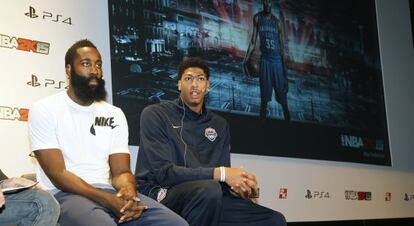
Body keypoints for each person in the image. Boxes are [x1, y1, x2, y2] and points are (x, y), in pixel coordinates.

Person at [28, 39, 188, 226]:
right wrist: (107, 200)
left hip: (108, 191)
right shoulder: (45, 109)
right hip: (64, 194)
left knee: (176, 224)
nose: (95, 70)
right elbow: (59, 174)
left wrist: (128, 193)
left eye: (98, 64)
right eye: (86, 64)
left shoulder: (114, 113)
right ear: (69, 70)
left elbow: (121, 172)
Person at [135, 57, 286, 226]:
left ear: (207, 86)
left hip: (208, 197)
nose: (194, 84)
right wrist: (222, 173)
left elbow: (220, 181)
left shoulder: (219, 125)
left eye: (200, 79)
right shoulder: (155, 114)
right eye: (188, 78)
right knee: (209, 190)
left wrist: (238, 187)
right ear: (178, 84)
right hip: (161, 193)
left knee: (273, 220)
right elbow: (164, 174)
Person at [244, 0, 290, 121]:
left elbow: (283, 50)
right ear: (263, 2)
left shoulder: (277, 23)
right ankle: (262, 128)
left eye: (269, 1)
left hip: (277, 62)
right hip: (265, 61)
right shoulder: (258, 18)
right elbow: (253, 41)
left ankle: (290, 127)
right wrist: (245, 59)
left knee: (283, 101)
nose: (267, 3)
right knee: (264, 99)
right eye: (265, 1)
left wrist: (286, 76)